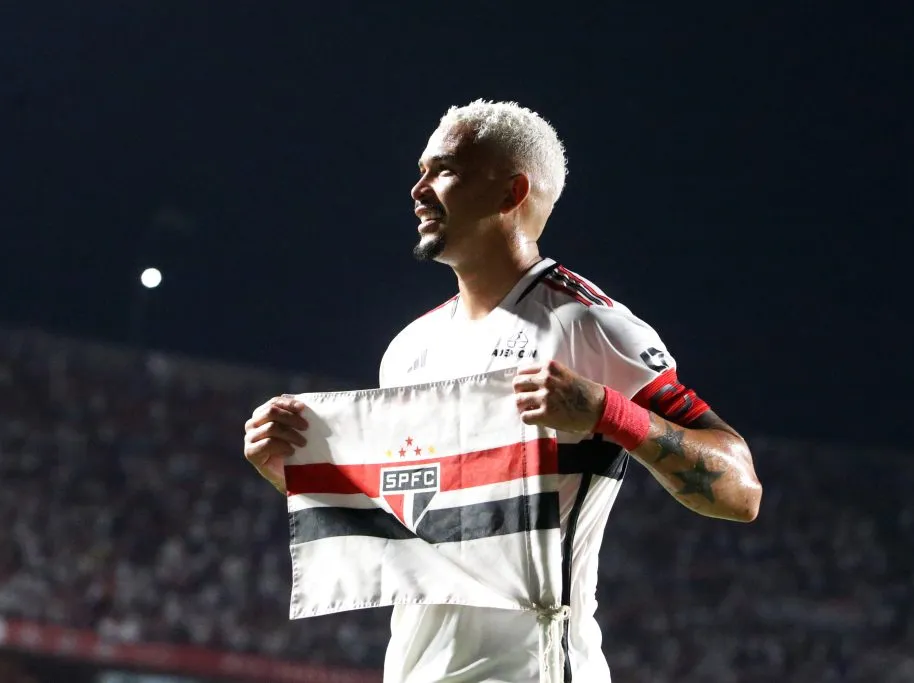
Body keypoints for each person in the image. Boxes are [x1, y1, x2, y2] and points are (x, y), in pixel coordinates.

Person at [244, 99, 763, 683]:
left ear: (511, 192)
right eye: (419, 171)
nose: (417, 190)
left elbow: (741, 491)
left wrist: (607, 411)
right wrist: (291, 474)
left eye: (444, 170)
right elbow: (417, 531)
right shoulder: (409, 349)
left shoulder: (588, 326)